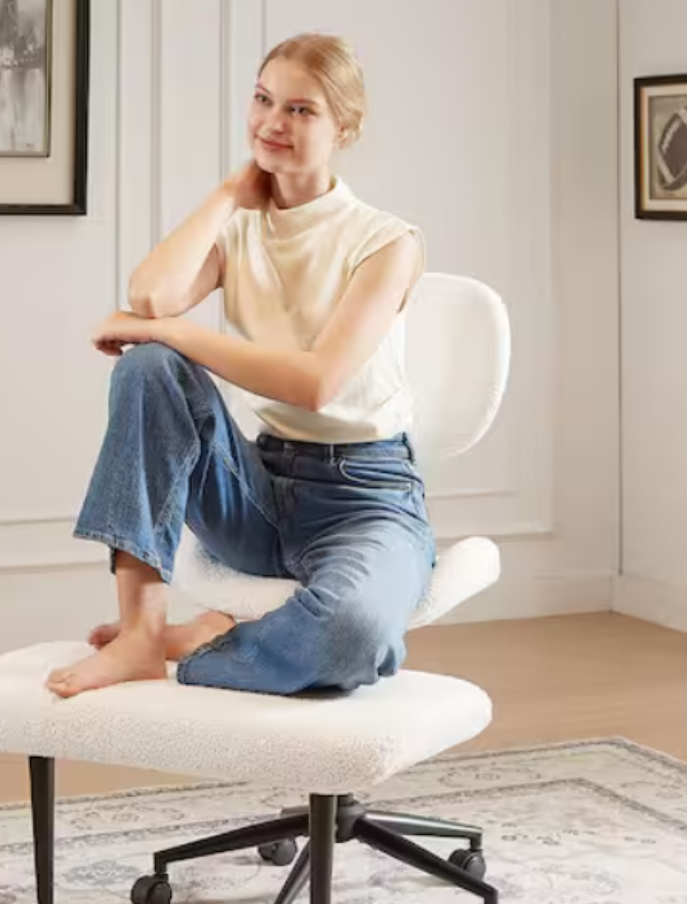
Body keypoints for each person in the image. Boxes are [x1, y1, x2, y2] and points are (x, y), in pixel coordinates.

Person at [46, 32, 433, 699]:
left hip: (365, 500)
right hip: (257, 487)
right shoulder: (240, 227)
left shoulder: (387, 242)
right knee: (149, 368)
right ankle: (142, 635)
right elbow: (151, 295)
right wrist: (227, 194)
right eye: (263, 100)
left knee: (353, 635)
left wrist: (164, 328)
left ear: (346, 126)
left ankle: (214, 637)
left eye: (302, 110)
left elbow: (316, 383)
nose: (273, 123)